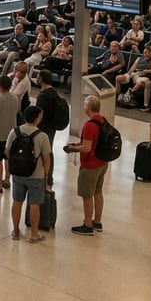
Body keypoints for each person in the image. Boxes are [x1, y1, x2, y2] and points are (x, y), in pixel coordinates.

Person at [64, 95, 106, 236]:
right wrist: (77, 144)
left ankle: (87, 225)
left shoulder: (89, 125)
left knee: (87, 195)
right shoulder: (102, 121)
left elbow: (87, 148)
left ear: (88, 108)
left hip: (90, 165)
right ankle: (97, 221)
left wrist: (73, 149)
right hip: (102, 162)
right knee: (98, 192)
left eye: (84, 104)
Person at [8, 105, 51, 241]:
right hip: (35, 175)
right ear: (38, 118)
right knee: (34, 204)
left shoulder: (14, 131)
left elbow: (7, 151)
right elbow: (46, 158)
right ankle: (33, 234)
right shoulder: (42, 136)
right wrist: (45, 174)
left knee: (17, 201)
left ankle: (15, 231)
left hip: (17, 174)